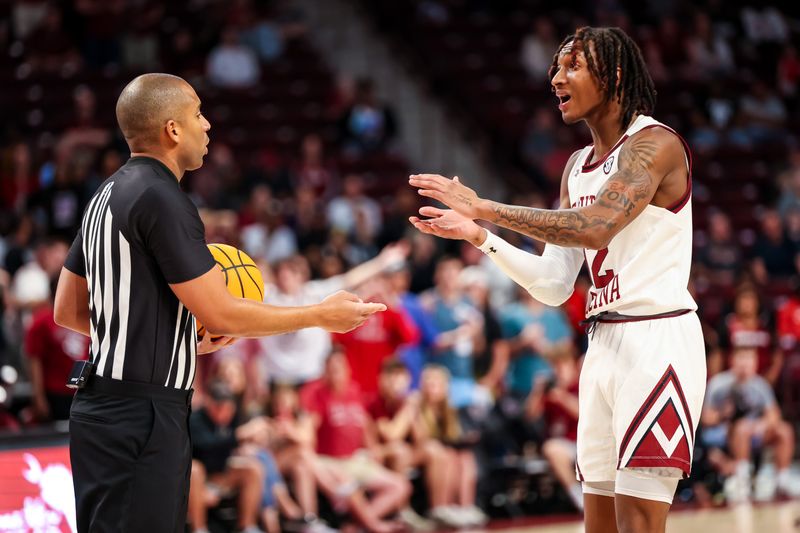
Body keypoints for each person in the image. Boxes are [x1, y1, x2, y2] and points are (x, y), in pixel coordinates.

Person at [54, 73, 386, 533]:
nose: (207, 126)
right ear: (173, 129)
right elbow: (220, 313)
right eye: (198, 115)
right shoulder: (162, 197)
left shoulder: (103, 196)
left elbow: (68, 310)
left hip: (101, 408)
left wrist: (168, 343)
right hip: (142, 415)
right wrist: (320, 315)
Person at [409, 26, 706, 533]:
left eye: (572, 66)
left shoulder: (655, 144)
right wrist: (482, 237)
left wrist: (487, 206)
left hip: (658, 339)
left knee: (638, 522)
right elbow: (553, 283)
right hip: (602, 343)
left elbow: (594, 229)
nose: (556, 78)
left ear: (613, 74)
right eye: (554, 67)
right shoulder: (576, 168)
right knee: (598, 523)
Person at [701, 347, 797, 502]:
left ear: (755, 363)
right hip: (724, 432)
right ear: (733, 361)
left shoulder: (760, 385)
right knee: (742, 428)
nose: (745, 364)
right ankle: (742, 480)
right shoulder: (719, 383)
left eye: (749, 360)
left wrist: (762, 424)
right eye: (741, 359)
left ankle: (782, 481)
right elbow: (706, 418)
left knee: (784, 430)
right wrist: (723, 414)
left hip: (753, 431)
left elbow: (774, 415)